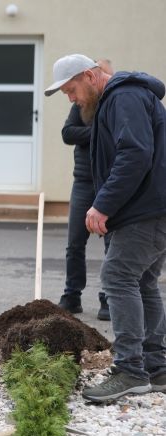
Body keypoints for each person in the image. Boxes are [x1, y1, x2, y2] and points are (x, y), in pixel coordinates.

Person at [45, 53, 166, 402]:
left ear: (89, 75)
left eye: (71, 90)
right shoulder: (119, 98)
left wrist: (103, 204)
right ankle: (156, 367)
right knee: (142, 282)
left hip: (145, 211)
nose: (71, 99)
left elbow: (135, 154)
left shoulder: (123, 97)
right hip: (149, 208)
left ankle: (130, 369)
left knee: (117, 278)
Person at [58, 59, 113, 320]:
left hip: (109, 183)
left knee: (112, 243)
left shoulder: (113, 101)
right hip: (82, 181)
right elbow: (68, 133)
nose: (72, 98)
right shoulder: (82, 105)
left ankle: (108, 298)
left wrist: (91, 132)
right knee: (75, 243)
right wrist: (96, 132)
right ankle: (72, 295)